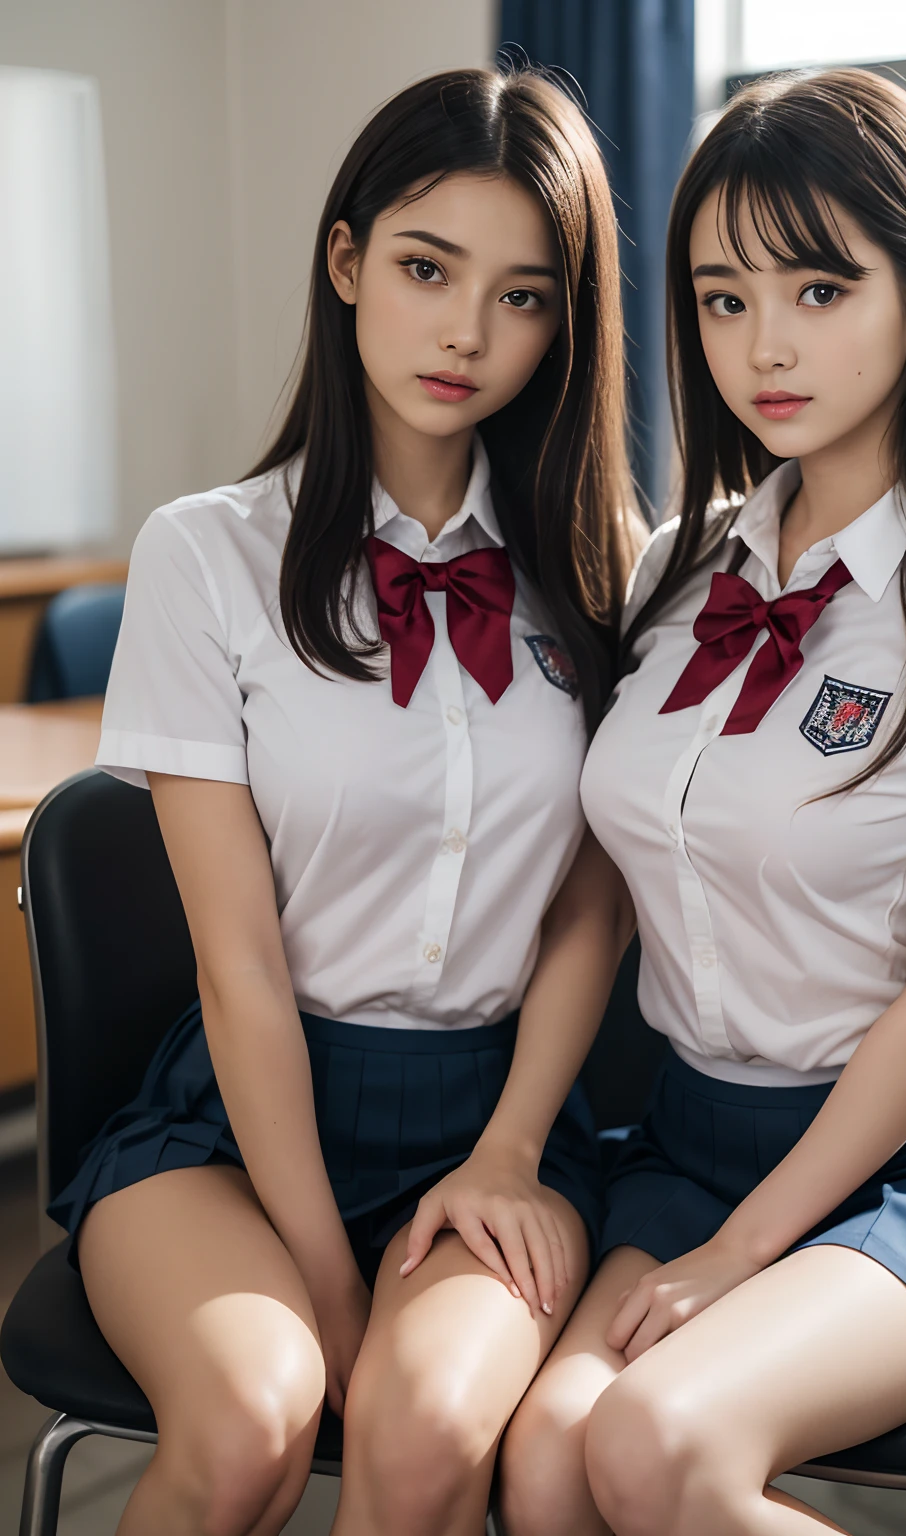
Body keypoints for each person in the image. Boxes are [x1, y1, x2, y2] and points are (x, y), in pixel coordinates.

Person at [499, 68, 906, 1536]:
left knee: (650, 1445)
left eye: (818, 288)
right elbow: (596, 880)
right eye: (721, 299)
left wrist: (743, 1256)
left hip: (905, 1171)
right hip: (687, 1144)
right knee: (540, 1462)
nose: (763, 344)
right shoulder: (675, 569)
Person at [49, 66, 638, 1536]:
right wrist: (327, 1280)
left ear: (567, 323)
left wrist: (508, 1148)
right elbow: (239, 967)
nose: (465, 332)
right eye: (428, 268)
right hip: (237, 1123)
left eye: (522, 296)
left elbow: (590, 901)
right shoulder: (206, 557)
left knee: (425, 1429)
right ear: (346, 259)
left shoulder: (610, 566)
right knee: (256, 1416)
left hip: (504, 1119)